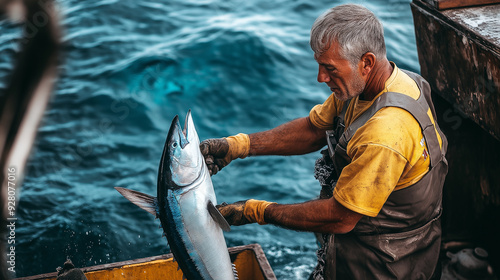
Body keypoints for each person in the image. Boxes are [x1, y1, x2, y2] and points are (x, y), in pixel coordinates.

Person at [200, 4, 448, 280]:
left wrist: (257, 211)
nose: (320, 78)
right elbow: (312, 129)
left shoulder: (386, 133)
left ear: (366, 62)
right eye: (319, 65)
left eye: (329, 68)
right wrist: (238, 146)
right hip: (368, 243)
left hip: (385, 263)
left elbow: (340, 217)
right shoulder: (377, 84)